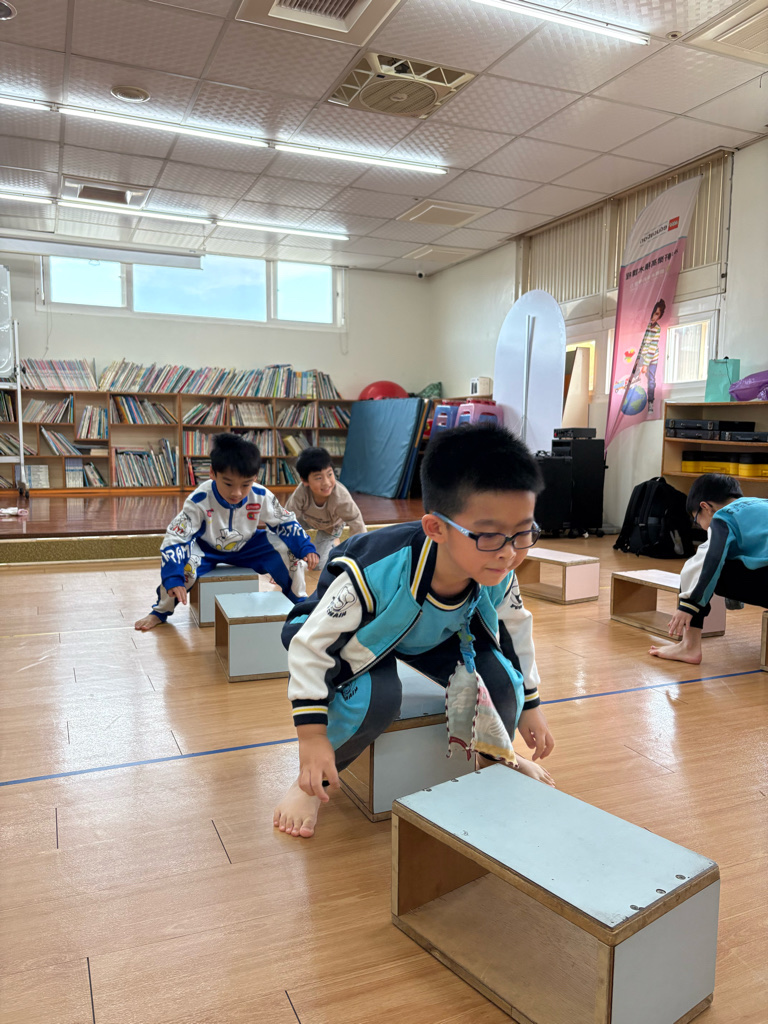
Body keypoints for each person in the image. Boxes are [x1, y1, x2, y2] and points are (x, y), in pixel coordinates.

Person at [274, 424, 556, 839]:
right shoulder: (377, 570)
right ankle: (312, 785)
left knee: (503, 684)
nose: (510, 552)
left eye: (523, 532)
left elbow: (515, 629)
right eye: (490, 536)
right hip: (354, 634)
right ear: (436, 528)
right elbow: (311, 647)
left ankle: (496, 757)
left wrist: (530, 704)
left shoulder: (497, 566)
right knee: (378, 697)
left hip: (432, 635)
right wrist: (312, 738)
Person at [134, 433, 318, 631]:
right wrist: (173, 577)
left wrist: (305, 547)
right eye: (228, 484)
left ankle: (299, 603)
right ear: (212, 473)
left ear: (255, 477)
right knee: (185, 567)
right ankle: (159, 612)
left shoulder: (261, 495)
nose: (236, 493)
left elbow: (285, 521)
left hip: (248, 546)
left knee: (288, 551)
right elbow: (177, 537)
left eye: (245, 484)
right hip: (207, 549)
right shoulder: (199, 499)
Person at [649, 474, 768, 664]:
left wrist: (689, 604)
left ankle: (689, 647)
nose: (703, 528)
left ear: (705, 507)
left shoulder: (724, 516)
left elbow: (712, 558)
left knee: (696, 563)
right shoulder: (762, 503)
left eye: (697, 520)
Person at [285, 446, 367, 571]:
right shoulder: (301, 492)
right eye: (319, 478)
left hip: (330, 526)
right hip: (306, 519)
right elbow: (286, 520)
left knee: (317, 565)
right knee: (287, 537)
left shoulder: (341, 497)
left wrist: (359, 556)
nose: (327, 483)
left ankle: (334, 545)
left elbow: (356, 521)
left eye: (329, 474)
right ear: (305, 481)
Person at [629, 299, 665, 413]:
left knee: (651, 380)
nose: (654, 317)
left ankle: (650, 402)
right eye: (653, 313)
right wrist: (638, 358)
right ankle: (630, 395)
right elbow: (641, 344)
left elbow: (652, 347)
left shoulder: (657, 329)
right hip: (643, 355)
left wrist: (645, 364)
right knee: (634, 373)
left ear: (660, 315)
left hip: (652, 358)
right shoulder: (645, 326)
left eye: (657, 314)